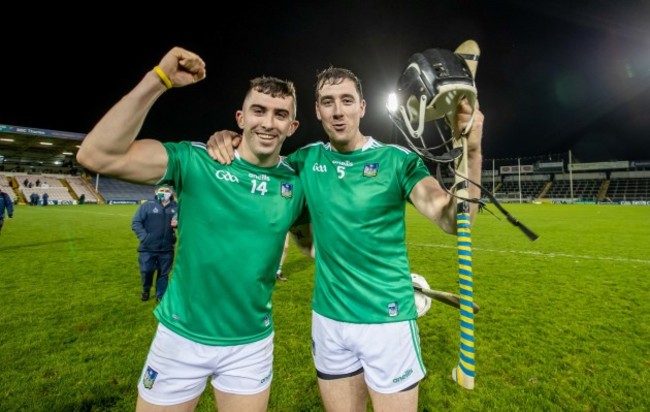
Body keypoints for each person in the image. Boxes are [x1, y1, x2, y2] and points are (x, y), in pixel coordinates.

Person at [207, 66, 484, 411]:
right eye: (328, 102)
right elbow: (258, 163)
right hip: (329, 321)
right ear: (318, 110)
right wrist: (229, 137)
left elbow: (452, 219)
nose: (338, 111)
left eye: (347, 101)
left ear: (362, 107)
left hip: (388, 322)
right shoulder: (304, 161)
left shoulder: (397, 161)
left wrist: (472, 152)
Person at [75, 47, 312, 412]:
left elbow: (314, 246)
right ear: (241, 117)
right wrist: (159, 79)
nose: (268, 122)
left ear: (292, 127)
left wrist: (375, 274)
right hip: (179, 337)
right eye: (259, 110)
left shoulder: (296, 186)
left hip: (249, 345)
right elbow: (95, 156)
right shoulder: (195, 160)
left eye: (281, 114)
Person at [131, 184, 178, 302]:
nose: (165, 192)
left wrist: (178, 224)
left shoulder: (176, 207)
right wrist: (145, 238)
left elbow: (184, 223)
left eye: (167, 190)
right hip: (148, 247)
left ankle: (160, 296)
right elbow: (136, 223)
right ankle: (146, 289)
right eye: (162, 190)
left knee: (164, 274)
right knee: (146, 271)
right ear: (156, 192)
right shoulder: (147, 206)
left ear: (171, 193)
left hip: (167, 247)